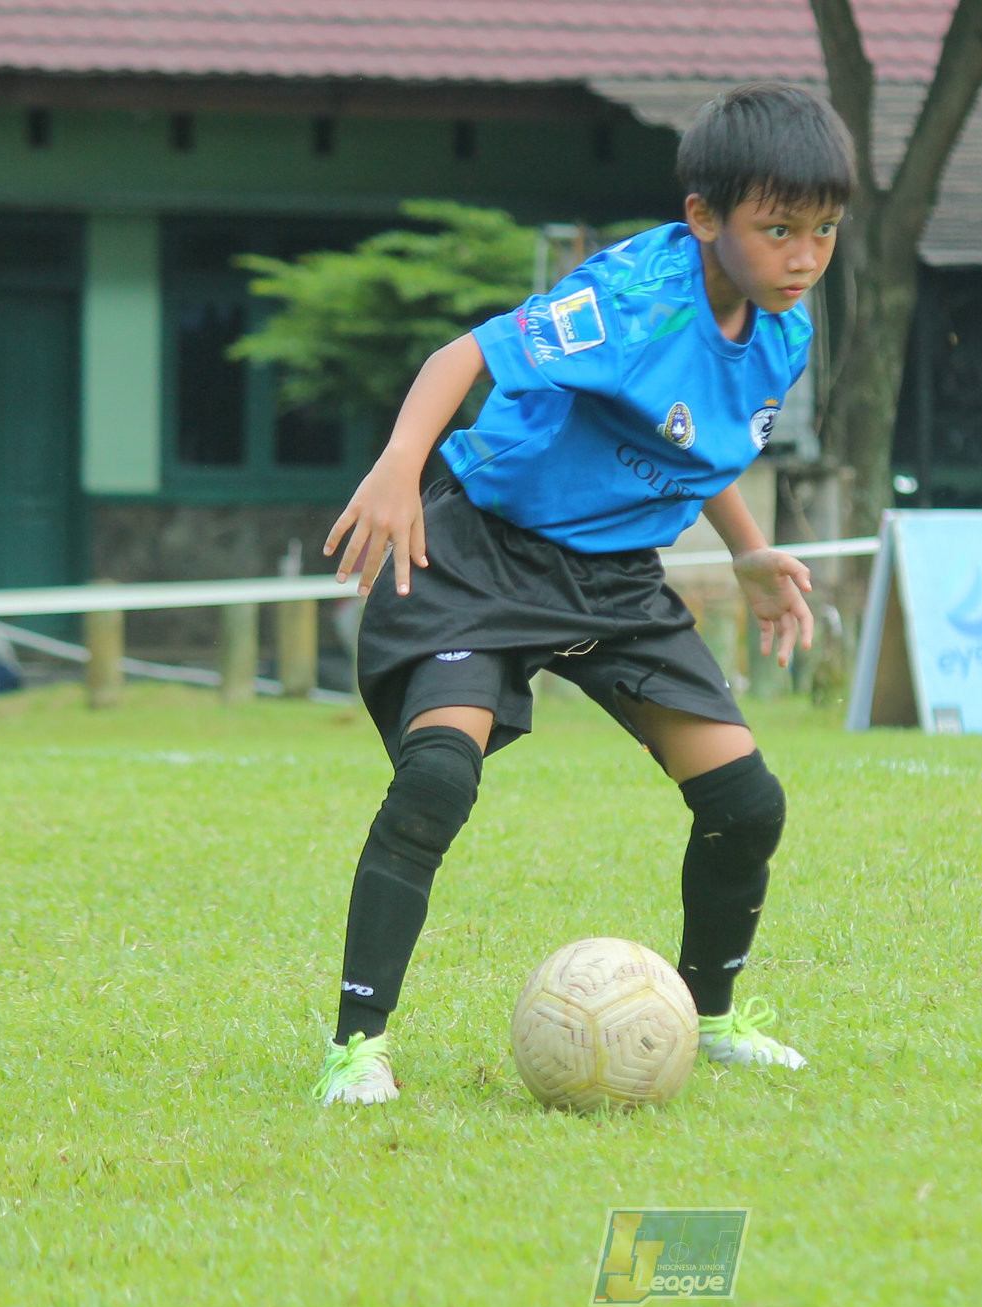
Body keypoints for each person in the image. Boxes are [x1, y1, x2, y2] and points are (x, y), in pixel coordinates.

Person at [313, 81, 852, 1103]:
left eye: (822, 231)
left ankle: (712, 1014)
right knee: (437, 778)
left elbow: (694, 435)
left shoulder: (784, 329)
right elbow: (462, 353)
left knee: (744, 798)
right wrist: (396, 466)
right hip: (480, 552)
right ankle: (356, 1047)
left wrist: (744, 548)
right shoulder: (632, 297)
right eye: (777, 229)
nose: (804, 256)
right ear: (702, 217)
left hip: (611, 580)